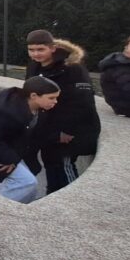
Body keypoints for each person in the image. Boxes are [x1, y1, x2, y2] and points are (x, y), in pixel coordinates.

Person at [25, 29, 101, 194]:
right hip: (47, 128)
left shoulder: (72, 68)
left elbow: (83, 103)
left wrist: (66, 131)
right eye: (31, 50)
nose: (36, 54)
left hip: (69, 131)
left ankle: (72, 200)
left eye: (40, 49)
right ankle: (52, 197)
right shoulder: (33, 67)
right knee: (50, 163)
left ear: (52, 48)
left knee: (64, 164)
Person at [0, 77, 61, 204]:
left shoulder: (39, 110)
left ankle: (17, 208)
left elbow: (29, 135)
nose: (55, 102)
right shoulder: (8, 112)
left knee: (21, 181)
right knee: (27, 182)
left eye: (56, 98)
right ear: (34, 96)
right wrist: (9, 158)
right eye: (51, 98)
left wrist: (57, 136)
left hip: (4, 148)